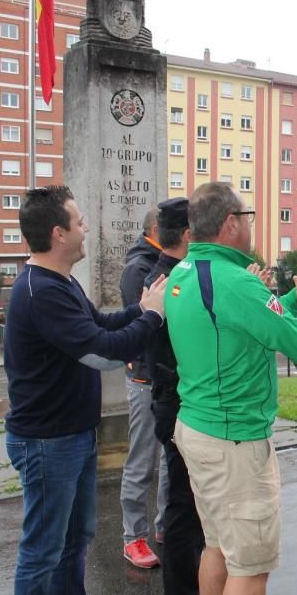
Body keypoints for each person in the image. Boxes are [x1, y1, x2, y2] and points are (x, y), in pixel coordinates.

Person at [167, 182, 297, 595]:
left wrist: (292, 298)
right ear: (231, 223)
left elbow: (247, 322)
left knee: (217, 545)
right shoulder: (235, 283)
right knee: (249, 566)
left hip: (198, 428)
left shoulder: (186, 273)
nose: (250, 224)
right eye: (246, 217)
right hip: (236, 443)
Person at [3, 186, 168, 595]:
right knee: (42, 552)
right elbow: (102, 353)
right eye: (79, 222)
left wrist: (141, 308)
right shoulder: (41, 292)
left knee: (75, 540)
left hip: (70, 436)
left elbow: (98, 322)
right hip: (46, 443)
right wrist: (151, 318)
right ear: (58, 233)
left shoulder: (60, 282)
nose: (86, 228)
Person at [143, 198, 205, 595]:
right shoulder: (170, 282)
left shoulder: (162, 276)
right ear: (187, 235)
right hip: (178, 403)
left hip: (171, 401)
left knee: (188, 504)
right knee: (185, 506)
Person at [119, 207, 169, 568]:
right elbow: (144, 322)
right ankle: (132, 538)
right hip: (144, 379)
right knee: (141, 461)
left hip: (163, 376)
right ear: (157, 230)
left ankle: (165, 526)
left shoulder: (162, 263)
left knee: (168, 459)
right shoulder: (140, 269)